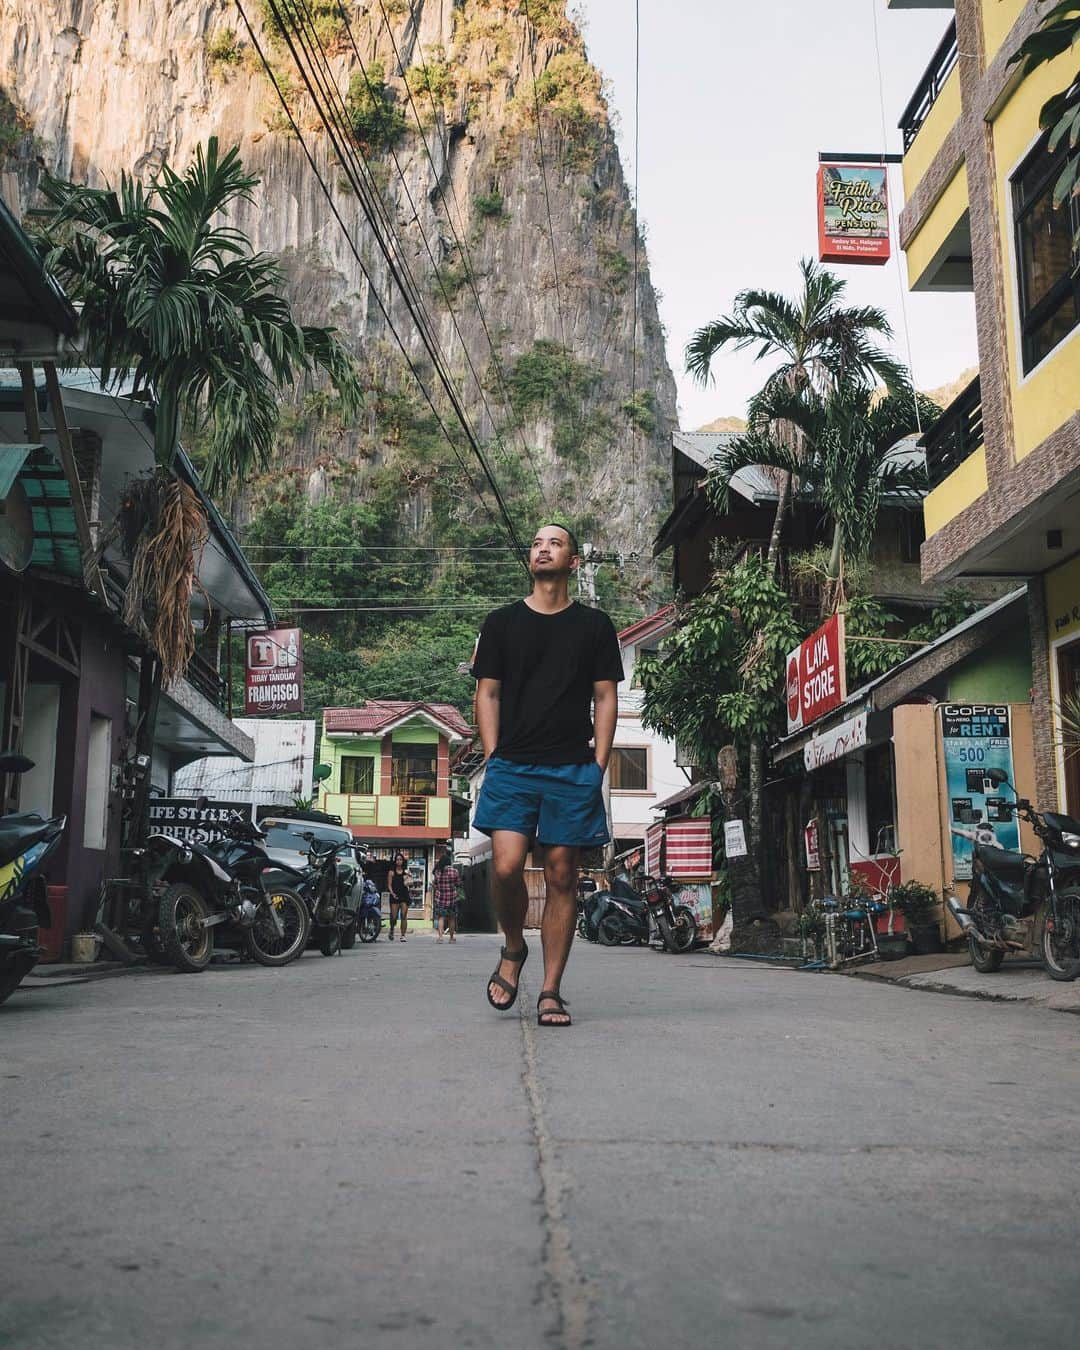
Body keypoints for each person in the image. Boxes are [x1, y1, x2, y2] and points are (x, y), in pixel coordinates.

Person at [470, 522, 623, 1027]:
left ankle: (551, 991)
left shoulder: (595, 627)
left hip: (571, 769)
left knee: (562, 876)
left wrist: (597, 765)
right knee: (508, 865)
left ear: (573, 562)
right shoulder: (501, 624)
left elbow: (605, 696)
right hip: (512, 766)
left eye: (554, 543)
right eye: (537, 543)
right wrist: (494, 756)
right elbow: (486, 693)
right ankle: (514, 949)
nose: (542, 548)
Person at [433, 847, 462, 943]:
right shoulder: (455, 872)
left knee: (441, 918)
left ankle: (440, 938)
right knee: (452, 918)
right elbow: (458, 884)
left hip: (440, 898)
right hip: (452, 898)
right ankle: (451, 938)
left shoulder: (437, 872)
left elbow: (435, 885)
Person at [387, 852, 411, 942]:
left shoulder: (406, 871)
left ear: (403, 861)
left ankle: (403, 935)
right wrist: (392, 893)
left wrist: (409, 877)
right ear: (395, 861)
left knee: (404, 916)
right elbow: (389, 885)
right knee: (394, 917)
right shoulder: (391, 872)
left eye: (401, 859)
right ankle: (392, 929)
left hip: (404, 895)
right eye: (397, 859)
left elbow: (410, 883)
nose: (399, 861)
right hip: (395, 896)